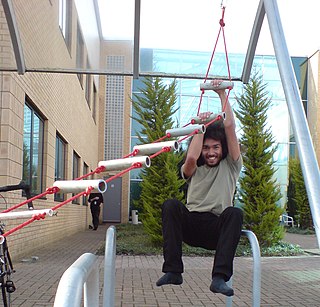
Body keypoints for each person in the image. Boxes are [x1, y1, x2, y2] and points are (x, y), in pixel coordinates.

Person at [156, 79, 243, 297]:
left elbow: (230, 127)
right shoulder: (192, 168)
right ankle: (173, 271)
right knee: (171, 205)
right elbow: (192, 157)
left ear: (222, 148)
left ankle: (219, 278)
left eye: (215, 147)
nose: (211, 152)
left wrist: (222, 94)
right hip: (192, 225)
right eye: (206, 148)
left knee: (234, 213)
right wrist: (199, 128)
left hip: (217, 228)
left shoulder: (231, 165)